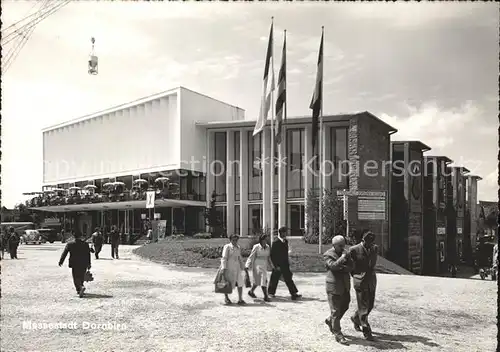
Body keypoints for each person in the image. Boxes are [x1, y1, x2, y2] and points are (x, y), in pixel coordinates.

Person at [324, 235, 354, 345]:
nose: (343, 247)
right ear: (334, 245)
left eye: (344, 245)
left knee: (345, 305)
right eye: (340, 246)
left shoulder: (346, 253)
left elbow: (352, 266)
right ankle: (338, 333)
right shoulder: (328, 254)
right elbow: (333, 267)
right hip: (334, 286)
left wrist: (343, 267)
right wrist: (342, 259)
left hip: (345, 285)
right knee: (335, 311)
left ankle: (330, 320)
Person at [349, 230, 378, 341]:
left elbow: (372, 264)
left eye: (371, 243)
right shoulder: (354, 250)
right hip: (360, 280)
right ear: (363, 240)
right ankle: (367, 331)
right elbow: (351, 266)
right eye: (367, 242)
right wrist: (356, 276)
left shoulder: (375, 248)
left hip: (371, 280)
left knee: (370, 305)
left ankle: (355, 318)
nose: (369, 245)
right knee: (363, 307)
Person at [268, 227, 302, 300]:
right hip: (278, 265)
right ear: (281, 233)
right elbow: (272, 255)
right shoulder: (275, 242)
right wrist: (275, 266)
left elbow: (285, 254)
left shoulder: (285, 241)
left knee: (288, 279)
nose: (286, 234)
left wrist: (288, 263)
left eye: (286, 232)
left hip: (285, 264)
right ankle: (271, 293)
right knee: (274, 279)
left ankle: (293, 293)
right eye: (284, 232)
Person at [58, 231, 91, 297]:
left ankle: (79, 289)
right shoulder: (85, 244)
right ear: (81, 236)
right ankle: (81, 286)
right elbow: (88, 254)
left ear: (73, 236)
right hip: (83, 263)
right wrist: (89, 263)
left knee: (76, 277)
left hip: (74, 263)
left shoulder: (70, 244)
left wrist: (61, 261)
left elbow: (65, 253)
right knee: (81, 276)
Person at [245, 233, 273, 302]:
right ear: (261, 240)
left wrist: (272, 266)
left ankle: (251, 292)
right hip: (257, 264)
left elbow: (268, 258)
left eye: (266, 239)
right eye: (264, 239)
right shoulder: (256, 247)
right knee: (263, 280)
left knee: (258, 281)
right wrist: (247, 265)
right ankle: (266, 296)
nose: (265, 241)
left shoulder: (268, 247)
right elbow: (251, 257)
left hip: (264, 265)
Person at [221, 233, 246, 305]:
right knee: (227, 283)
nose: (235, 241)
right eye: (233, 240)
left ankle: (240, 299)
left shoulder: (238, 247)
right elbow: (224, 258)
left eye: (236, 240)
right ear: (230, 240)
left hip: (237, 267)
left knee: (240, 282)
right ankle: (226, 298)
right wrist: (223, 268)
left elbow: (240, 258)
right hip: (229, 267)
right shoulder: (227, 247)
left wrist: (243, 267)